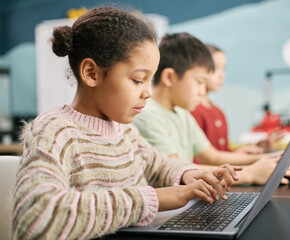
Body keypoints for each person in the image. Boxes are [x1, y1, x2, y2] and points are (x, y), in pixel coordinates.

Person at [12, 8, 240, 240]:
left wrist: (188, 175)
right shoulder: (54, 131)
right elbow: (37, 218)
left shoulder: (124, 131)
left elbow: (157, 165)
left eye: (149, 80)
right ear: (91, 73)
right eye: (138, 80)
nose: (149, 92)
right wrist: (154, 198)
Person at [133, 32, 290, 185]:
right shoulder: (148, 116)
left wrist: (270, 159)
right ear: (169, 77)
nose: (202, 91)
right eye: (199, 82)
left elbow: (213, 156)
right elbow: (181, 170)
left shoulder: (182, 113)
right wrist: (250, 173)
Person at [191, 44, 282, 157]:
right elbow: (203, 161)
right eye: (215, 68)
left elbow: (221, 154)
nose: (222, 75)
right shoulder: (192, 111)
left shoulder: (218, 111)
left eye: (223, 69)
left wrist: (255, 149)